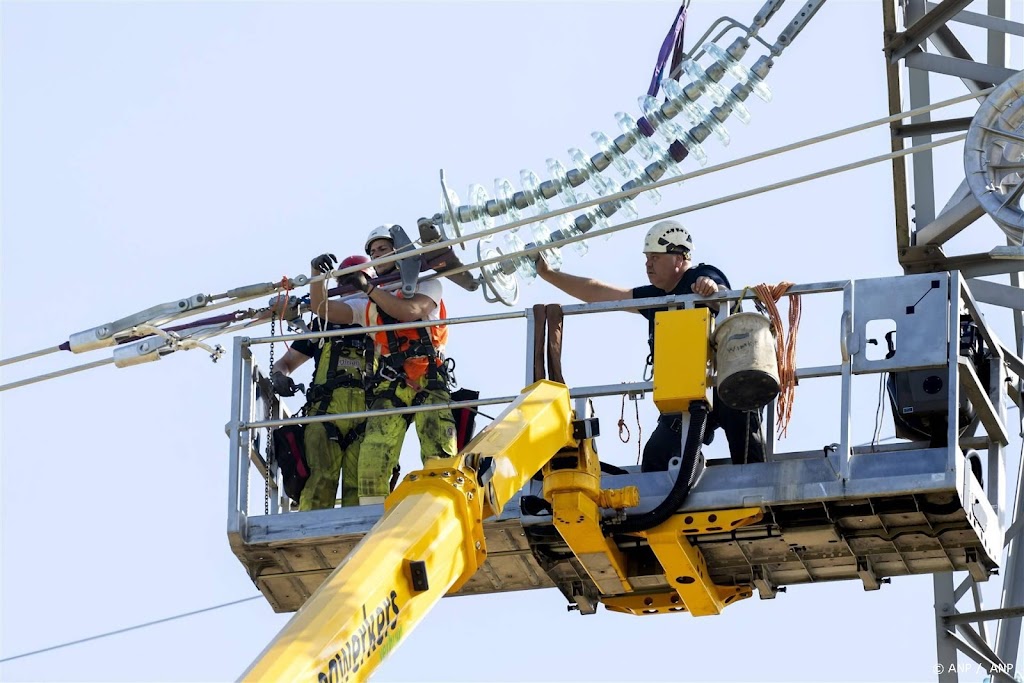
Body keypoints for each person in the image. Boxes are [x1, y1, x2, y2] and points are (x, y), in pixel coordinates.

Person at [536, 219, 765, 471]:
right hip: (685, 393)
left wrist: (711, 290)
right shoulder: (656, 297)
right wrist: (548, 273)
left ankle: (758, 488)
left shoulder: (700, 276)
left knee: (746, 443)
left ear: (678, 259)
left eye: (655, 257)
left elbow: (723, 297)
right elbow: (598, 293)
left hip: (728, 384)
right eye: (647, 258)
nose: (647, 264)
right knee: (657, 456)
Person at [307, 224, 457, 505]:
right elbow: (322, 309)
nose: (376, 255)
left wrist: (369, 288)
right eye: (372, 252)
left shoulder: (427, 284)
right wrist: (317, 277)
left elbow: (407, 311)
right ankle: (372, 522)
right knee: (372, 461)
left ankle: (441, 509)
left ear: (400, 251)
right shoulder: (368, 303)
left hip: (429, 378)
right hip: (391, 385)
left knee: (438, 452)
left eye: (383, 249)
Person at [269, 254, 375, 510]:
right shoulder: (323, 324)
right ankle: (309, 529)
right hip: (325, 414)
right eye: (346, 281)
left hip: (368, 416)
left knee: (362, 487)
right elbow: (286, 362)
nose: (352, 287)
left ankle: (360, 540)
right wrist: (279, 377)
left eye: (357, 281)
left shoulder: (380, 321)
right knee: (319, 481)